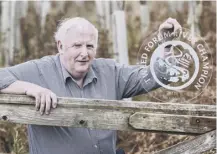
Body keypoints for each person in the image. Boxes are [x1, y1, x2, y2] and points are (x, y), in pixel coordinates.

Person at [0, 17, 181, 154]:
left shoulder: (110, 71)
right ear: (60, 46)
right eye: (77, 45)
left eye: (90, 46)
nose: (84, 53)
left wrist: (166, 45)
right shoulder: (39, 71)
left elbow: (157, 76)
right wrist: (31, 88)